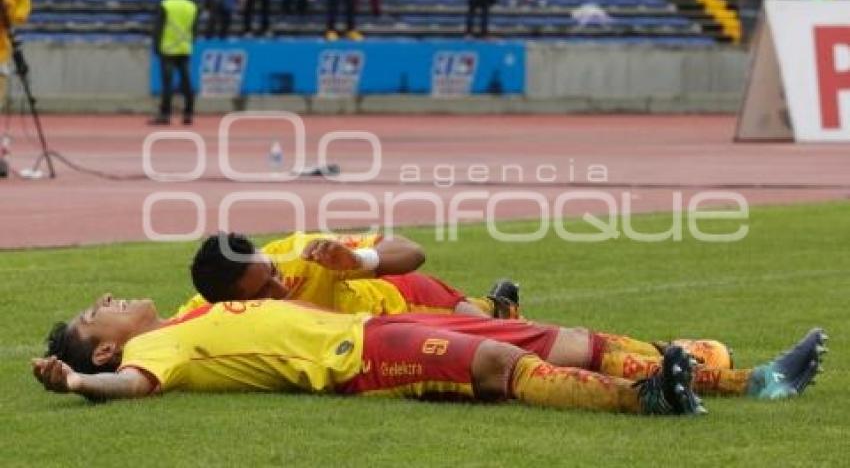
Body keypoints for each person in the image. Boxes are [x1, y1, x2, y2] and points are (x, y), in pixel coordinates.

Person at [32, 294, 825, 411]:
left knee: (568, 339)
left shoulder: (186, 309)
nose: (107, 297)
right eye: (97, 312)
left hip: (388, 322)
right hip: (358, 360)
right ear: (106, 348)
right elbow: (134, 387)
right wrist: (76, 385)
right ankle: (644, 397)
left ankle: (749, 382)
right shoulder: (157, 351)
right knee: (491, 367)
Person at [181, 232, 522, 319]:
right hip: (368, 343)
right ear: (230, 304)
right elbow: (160, 331)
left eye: (273, 272)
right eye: (263, 292)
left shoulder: (306, 253)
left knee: (492, 336)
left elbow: (413, 252)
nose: (280, 287)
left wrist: (356, 259)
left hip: (405, 302)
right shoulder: (210, 309)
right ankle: (498, 304)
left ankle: (499, 307)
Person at [150, 0, 198, 126]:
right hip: (184, 47)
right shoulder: (192, 6)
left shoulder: (166, 5)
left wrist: (156, 46)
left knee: (167, 84)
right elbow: (194, 28)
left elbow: (158, 27)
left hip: (168, 48)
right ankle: (188, 113)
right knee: (186, 82)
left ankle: (165, 114)